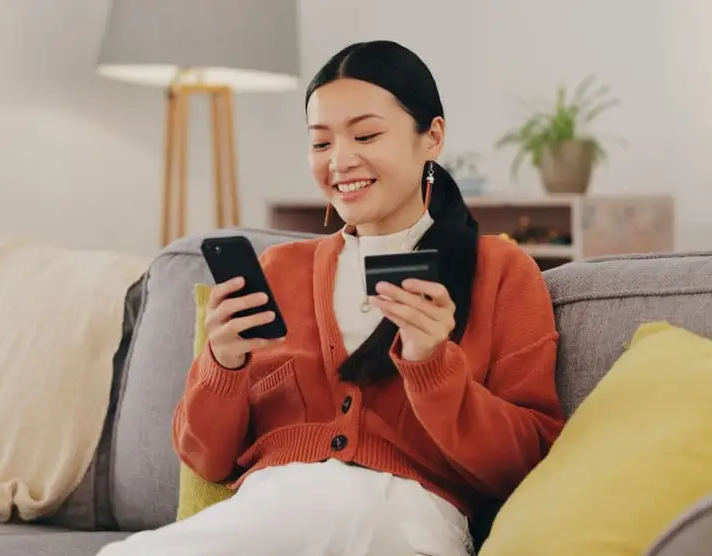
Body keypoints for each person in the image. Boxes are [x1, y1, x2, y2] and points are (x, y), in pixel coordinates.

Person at [97, 40, 564, 556]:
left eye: (366, 134)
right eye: (321, 144)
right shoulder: (280, 271)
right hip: (269, 507)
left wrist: (434, 367)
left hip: (401, 518)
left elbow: (527, 461)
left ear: (432, 137)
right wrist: (222, 365)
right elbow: (206, 460)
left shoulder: (500, 272)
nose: (340, 161)